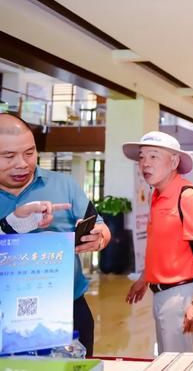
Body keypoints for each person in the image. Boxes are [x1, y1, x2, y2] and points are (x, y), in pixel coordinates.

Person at [0, 113, 111, 356]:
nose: (22, 163)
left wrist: (99, 237)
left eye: (29, 153)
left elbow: (101, 227)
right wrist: (10, 225)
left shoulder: (63, 185)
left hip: (68, 313)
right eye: (8, 156)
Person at [123, 131, 193, 354]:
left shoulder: (189, 198)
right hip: (161, 294)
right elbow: (163, 247)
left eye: (154, 156)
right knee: (166, 359)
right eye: (142, 157)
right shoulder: (157, 195)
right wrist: (145, 278)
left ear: (174, 161)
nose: (145, 163)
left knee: (178, 363)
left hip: (181, 294)